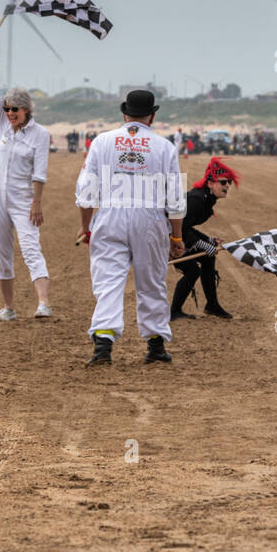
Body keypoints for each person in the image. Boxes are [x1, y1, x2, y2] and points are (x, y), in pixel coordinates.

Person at [76, 88, 185, 366]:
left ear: (125, 114)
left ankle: (103, 344)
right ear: (152, 116)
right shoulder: (164, 146)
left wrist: (85, 228)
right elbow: (175, 197)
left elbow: (87, 190)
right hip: (150, 217)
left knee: (108, 280)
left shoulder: (102, 141)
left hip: (110, 213)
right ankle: (156, 346)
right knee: (151, 282)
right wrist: (176, 236)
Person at [0, 35, 52, 319]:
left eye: (14, 109)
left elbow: (40, 173)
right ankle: (8, 307)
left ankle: (44, 303)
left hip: (23, 198)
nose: (9, 112)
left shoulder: (40, 134)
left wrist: (37, 203)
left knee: (30, 246)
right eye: (7, 108)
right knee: (2, 250)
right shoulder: (3, 124)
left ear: (26, 110)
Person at [171, 157, 239, 321]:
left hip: (177, 234)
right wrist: (204, 244)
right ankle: (174, 311)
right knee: (192, 270)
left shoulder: (208, 199)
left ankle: (212, 305)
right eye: (223, 182)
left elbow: (187, 227)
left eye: (228, 182)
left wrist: (208, 240)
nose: (228, 185)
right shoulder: (197, 199)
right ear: (210, 183)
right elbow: (182, 227)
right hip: (165, 237)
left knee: (208, 259)